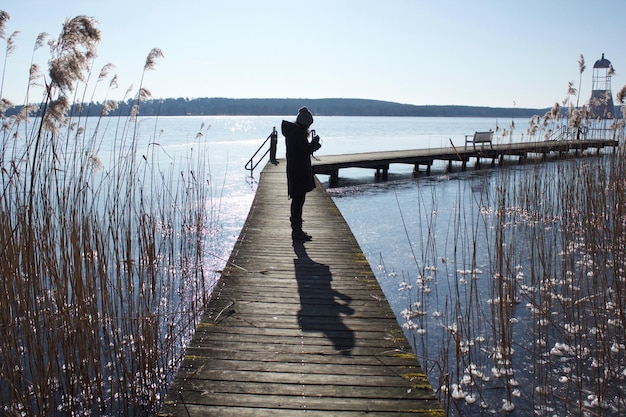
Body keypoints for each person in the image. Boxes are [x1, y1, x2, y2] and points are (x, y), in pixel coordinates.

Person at [281, 107, 321, 241]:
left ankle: (297, 229)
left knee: (298, 200)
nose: (310, 126)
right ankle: (297, 231)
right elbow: (305, 150)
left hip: (296, 170)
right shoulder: (297, 133)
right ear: (305, 123)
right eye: (309, 124)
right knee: (298, 201)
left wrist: (312, 145)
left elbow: (302, 150)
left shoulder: (294, 132)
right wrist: (315, 144)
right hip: (298, 171)